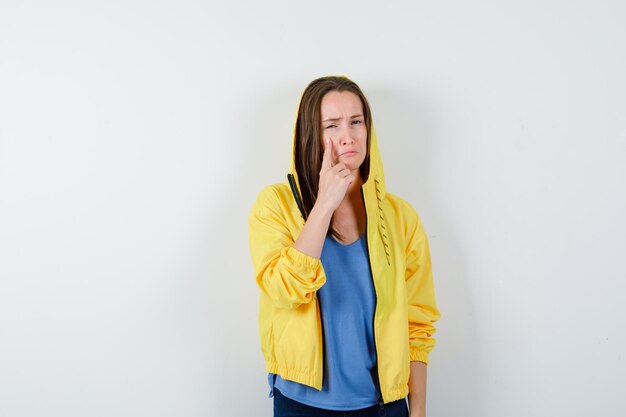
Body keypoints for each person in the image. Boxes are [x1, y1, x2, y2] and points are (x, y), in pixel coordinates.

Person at [248, 76, 440, 417]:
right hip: (302, 405)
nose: (348, 136)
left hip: (384, 406)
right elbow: (283, 290)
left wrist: (419, 409)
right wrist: (324, 204)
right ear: (311, 135)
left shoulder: (400, 217)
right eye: (332, 125)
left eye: (356, 122)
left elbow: (417, 322)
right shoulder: (275, 205)